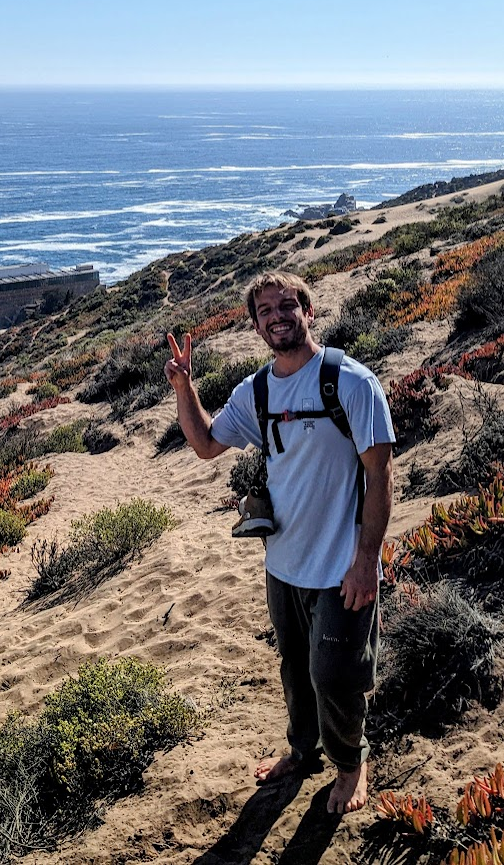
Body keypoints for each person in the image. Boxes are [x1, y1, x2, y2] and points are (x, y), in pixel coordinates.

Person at [164, 270, 394, 815]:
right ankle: (303, 751)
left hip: (343, 566)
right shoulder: (257, 390)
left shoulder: (352, 382)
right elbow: (204, 445)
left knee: (334, 674)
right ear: (255, 325)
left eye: (287, 306)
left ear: (309, 312)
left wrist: (367, 561)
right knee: (294, 666)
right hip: (284, 563)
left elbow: (381, 476)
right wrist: (183, 388)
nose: (277, 316)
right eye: (265, 310)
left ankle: (351, 762)